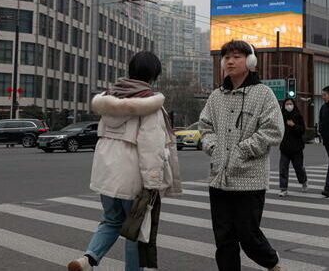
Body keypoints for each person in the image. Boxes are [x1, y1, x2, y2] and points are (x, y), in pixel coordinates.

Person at [68, 52, 182, 271]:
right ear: (153, 75)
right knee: (135, 232)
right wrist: (152, 184)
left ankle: (88, 258)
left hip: (106, 176)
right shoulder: (149, 105)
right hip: (133, 180)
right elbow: (151, 149)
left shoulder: (110, 100)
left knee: (111, 221)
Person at [199, 40, 284, 271]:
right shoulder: (216, 96)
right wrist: (214, 148)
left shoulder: (264, 94)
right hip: (219, 179)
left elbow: (273, 130)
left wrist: (243, 150)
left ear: (250, 61)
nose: (230, 60)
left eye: (236, 56)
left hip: (250, 179)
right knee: (224, 240)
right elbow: (205, 127)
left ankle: (273, 264)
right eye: (226, 56)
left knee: (249, 236)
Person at [278, 98, 308, 197]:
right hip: (285, 148)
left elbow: (302, 130)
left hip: (297, 148)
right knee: (283, 168)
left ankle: (303, 181)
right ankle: (283, 188)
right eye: (287, 104)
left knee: (298, 167)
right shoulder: (281, 117)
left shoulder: (298, 116)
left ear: (294, 105)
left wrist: (293, 125)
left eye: (290, 104)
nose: (289, 106)